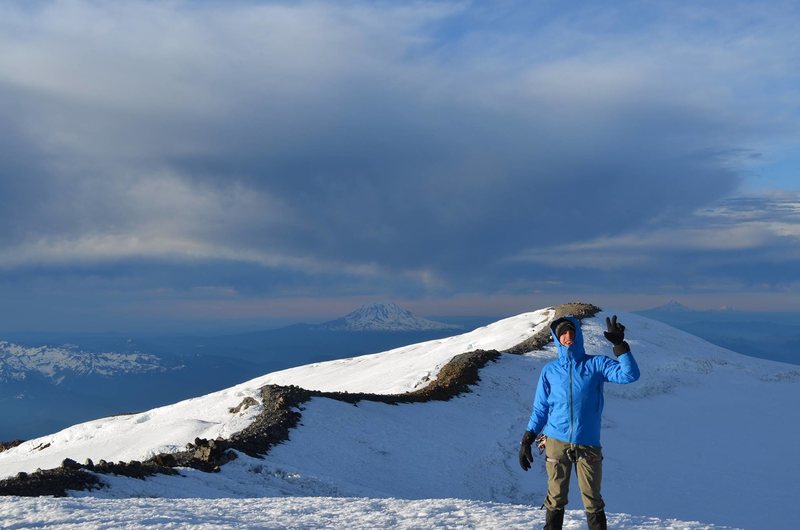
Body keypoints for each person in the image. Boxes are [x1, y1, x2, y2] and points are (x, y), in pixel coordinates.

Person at [518, 315, 640, 530]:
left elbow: (629, 375)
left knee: (592, 498)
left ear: (579, 335)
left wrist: (620, 345)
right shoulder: (550, 371)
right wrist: (527, 438)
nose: (568, 336)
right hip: (556, 441)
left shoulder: (596, 364)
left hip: (588, 442)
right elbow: (541, 408)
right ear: (557, 338)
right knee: (555, 496)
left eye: (572, 331)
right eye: (563, 333)